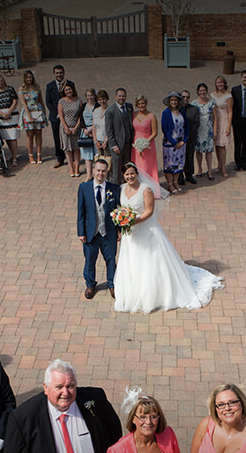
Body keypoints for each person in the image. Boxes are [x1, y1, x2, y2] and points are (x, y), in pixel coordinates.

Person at [113, 162, 223, 313]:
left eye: (132, 173)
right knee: (132, 260)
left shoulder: (146, 190)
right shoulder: (122, 189)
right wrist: (123, 222)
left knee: (149, 260)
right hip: (130, 234)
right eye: (127, 174)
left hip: (145, 230)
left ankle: (154, 294)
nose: (130, 177)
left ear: (137, 174)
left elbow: (149, 211)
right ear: (123, 176)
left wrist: (133, 221)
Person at [76, 158, 118, 300]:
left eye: (104, 171)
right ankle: (90, 284)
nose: (101, 173)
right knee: (89, 259)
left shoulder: (114, 188)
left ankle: (112, 284)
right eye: (98, 170)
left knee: (111, 259)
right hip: (90, 232)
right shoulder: (84, 188)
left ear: (107, 172)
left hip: (108, 232)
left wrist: (118, 230)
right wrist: (81, 232)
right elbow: (80, 212)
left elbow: (117, 211)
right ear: (93, 171)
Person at [131, 95, 163, 197]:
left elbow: (154, 132)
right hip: (135, 145)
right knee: (137, 167)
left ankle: (150, 190)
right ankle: (138, 189)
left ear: (146, 103)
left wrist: (145, 143)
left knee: (146, 167)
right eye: (139, 104)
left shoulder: (151, 116)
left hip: (147, 145)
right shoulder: (133, 114)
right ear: (137, 104)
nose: (141, 105)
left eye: (143, 103)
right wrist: (138, 144)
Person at [45, 65, 74, 168]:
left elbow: (73, 98)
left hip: (69, 117)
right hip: (55, 117)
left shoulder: (70, 84)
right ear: (54, 74)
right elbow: (48, 102)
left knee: (70, 137)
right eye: (57, 73)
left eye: (60, 72)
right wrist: (57, 112)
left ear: (64, 73)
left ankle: (72, 158)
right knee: (57, 138)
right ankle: (60, 158)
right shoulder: (49, 86)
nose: (59, 75)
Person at [160, 92, 187, 195]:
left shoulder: (182, 111)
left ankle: (176, 182)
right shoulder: (166, 113)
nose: (174, 102)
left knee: (179, 164)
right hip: (170, 144)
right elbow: (165, 130)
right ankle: (170, 183)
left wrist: (184, 140)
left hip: (181, 143)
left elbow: (186, 127)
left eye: (175, 100)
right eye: (172, 100)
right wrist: (174, 142)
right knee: (169, 165)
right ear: (169, 102)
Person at [105, 87, 134, 183]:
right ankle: (116, 189)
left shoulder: (129, 107)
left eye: (123, 96)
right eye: (119, 96)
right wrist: (113, 145)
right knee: (116, 170)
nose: (121, 98)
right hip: (117, 145)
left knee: (127, 167)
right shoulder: (110, 111)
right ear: (115, 97)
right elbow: (109, 130)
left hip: (128, 144)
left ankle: (127, 186)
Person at [0, 74, 20, 167]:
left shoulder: (10, 89)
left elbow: (15, 101)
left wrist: (9, 112)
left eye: (1, 81)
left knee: (13, 137)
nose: (0, 83)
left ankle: (15, 158)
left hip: (12, 115)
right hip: (2, 117)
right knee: (7, 137)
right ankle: (12, 154)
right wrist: (1, 113)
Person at [17, 70, 45, 164]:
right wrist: (29, 117)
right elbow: (24, 104)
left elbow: (41, 100)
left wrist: (43, 112)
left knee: (38, 135)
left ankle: (39, 155)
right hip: (28, 112)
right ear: (25, 78)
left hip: (37, 111)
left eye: (30, 77)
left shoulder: (37, 87)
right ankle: (30, 155)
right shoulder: (22, 89)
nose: (29, 79)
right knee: (30, 135)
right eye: (27, 77)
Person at [191, 83, 217, 180]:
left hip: (208, 130)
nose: (202, 92)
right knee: (198, 151)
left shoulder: (211, 103)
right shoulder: (194, 103)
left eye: (204, 90)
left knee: (209, 152)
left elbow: (215, 117)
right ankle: (199, 169)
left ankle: (210, 171)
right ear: (197, 92)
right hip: (198, 130)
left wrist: (215, 130)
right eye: (200, 90)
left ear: (206, 91)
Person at [58, 83, 83, 177]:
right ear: (64, 91)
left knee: (76, 148)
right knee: (68, 149)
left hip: (76, 127)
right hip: (65, 128)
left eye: (70, 89)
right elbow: (61, 115)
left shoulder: (78, 100)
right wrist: (66, 127)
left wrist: (77, 127)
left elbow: (81, 115)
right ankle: (71, 168)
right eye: (66, 90)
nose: (68, 91)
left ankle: (77, 168)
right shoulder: (61, 101)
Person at [211, 75, 233, 178]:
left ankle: (224, 168)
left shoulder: (228, 96)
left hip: (224, 120)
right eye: (218, 83)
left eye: (221, 82)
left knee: (222, 146)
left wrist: (229, 126)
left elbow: (230, 111)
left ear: (224, 83)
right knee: (216, 144)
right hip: (215, 120)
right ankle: (219, 165)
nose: (220, 84)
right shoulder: (212, 95)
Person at [179, 90, 199, 186]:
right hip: (178, 140)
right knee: (179, 158)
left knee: (189, 157)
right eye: (183, 97)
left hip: (190, 138)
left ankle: (189, 175)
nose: (185, 99)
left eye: (187, 97)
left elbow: (196, 124)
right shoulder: (176, 109)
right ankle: (179, 176)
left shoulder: (194, 109)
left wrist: (188, 136)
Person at [79, 88, 98, 180]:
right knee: (87, 155)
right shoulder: (83, 106)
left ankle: (97, 174)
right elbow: (80, 119)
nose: (90, 97)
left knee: (97, 154)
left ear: (94, 96)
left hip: (95, 131)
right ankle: (89, 175)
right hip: (85, 132)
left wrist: (91, 129)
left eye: (91, 95)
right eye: (88, 96)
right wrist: (85, 129)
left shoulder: (98, 106)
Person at [92, 89, 110, 160]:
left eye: (103, 99)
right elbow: (94, 127)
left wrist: (105, 141)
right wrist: (95, 141)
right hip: (98, 141)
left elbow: (111, 128)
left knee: (108, 160)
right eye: (100, 99)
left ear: (107, 99)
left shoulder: (111, 110)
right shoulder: (95, 111)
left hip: (108, 141)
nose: (102, 101)